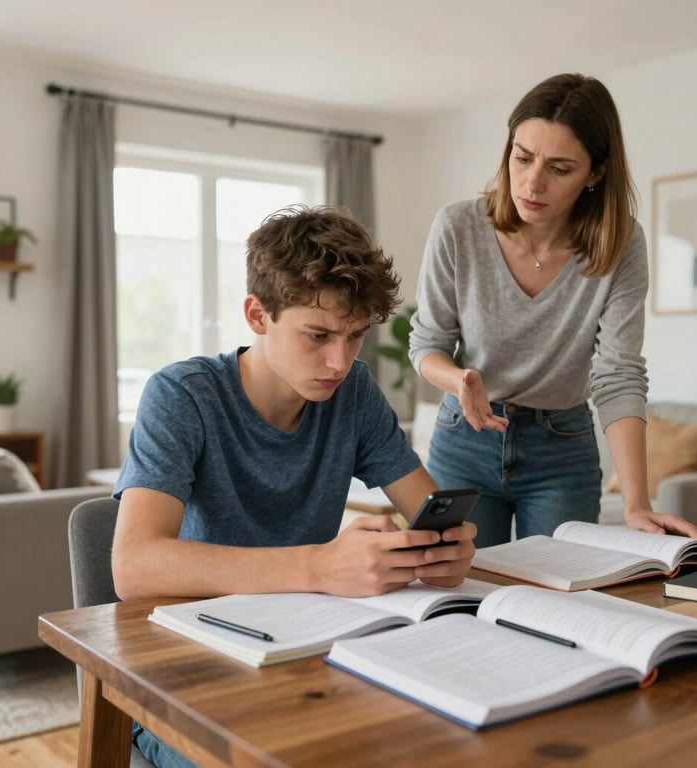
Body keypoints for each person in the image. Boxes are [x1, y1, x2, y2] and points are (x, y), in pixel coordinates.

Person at [111, 204, 477, 768]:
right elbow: (134, 566)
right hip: (189, 669)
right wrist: (320, 567)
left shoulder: (353, 391)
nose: (339, 360)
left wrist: (442, 548)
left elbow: (427, 506)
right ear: (258, 315)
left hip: (305, 654)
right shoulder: (181, 397)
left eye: (355, 336)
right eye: (318, 334)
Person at [408, 73, 697, 547]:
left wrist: (636, 503)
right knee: (457, 593)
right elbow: (428, 344)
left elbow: (618, 373)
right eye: (522, 157)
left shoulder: (619, 244)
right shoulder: (458, 227)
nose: (532, 181)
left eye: (560, 168)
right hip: (465, 440)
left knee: (557, 601)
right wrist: (458, 381)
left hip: (561, 448)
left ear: (595, 173)